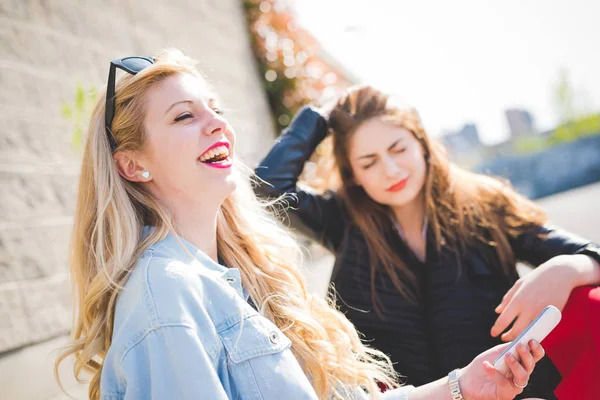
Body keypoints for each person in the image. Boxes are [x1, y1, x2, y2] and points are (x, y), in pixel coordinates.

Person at [54, 50, 544, 400]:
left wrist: (461, 387)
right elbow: (271, 183)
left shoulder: (241, 272)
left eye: (216, 109)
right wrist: (325, 112)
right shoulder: (166, 297)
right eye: (185, 116)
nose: (217, 124)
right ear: (133, 165)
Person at [254, 85, 600, 399]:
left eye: (398, 148)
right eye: (369, 162)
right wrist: (324, 113)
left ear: (421, 143)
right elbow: (268, 187)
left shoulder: (485, 205)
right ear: (353, 175)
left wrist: (567, 267)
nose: (390, 170)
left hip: (510, 391)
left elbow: (589, 254)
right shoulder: (341, 220)